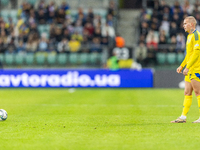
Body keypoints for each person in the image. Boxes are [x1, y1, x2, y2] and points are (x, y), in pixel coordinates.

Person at [171, 16, 200, 123]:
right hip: (189, 68)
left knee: (198, 92)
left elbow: (196, 54)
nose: (183, 26)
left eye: (185, 23)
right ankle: (183, 117)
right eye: (183, 24)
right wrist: (182, 65)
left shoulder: (196, 35)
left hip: (196, 69)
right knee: (187, 92)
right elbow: (189, 55)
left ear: (192, 24)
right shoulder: (189, 36)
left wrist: (187, 67)